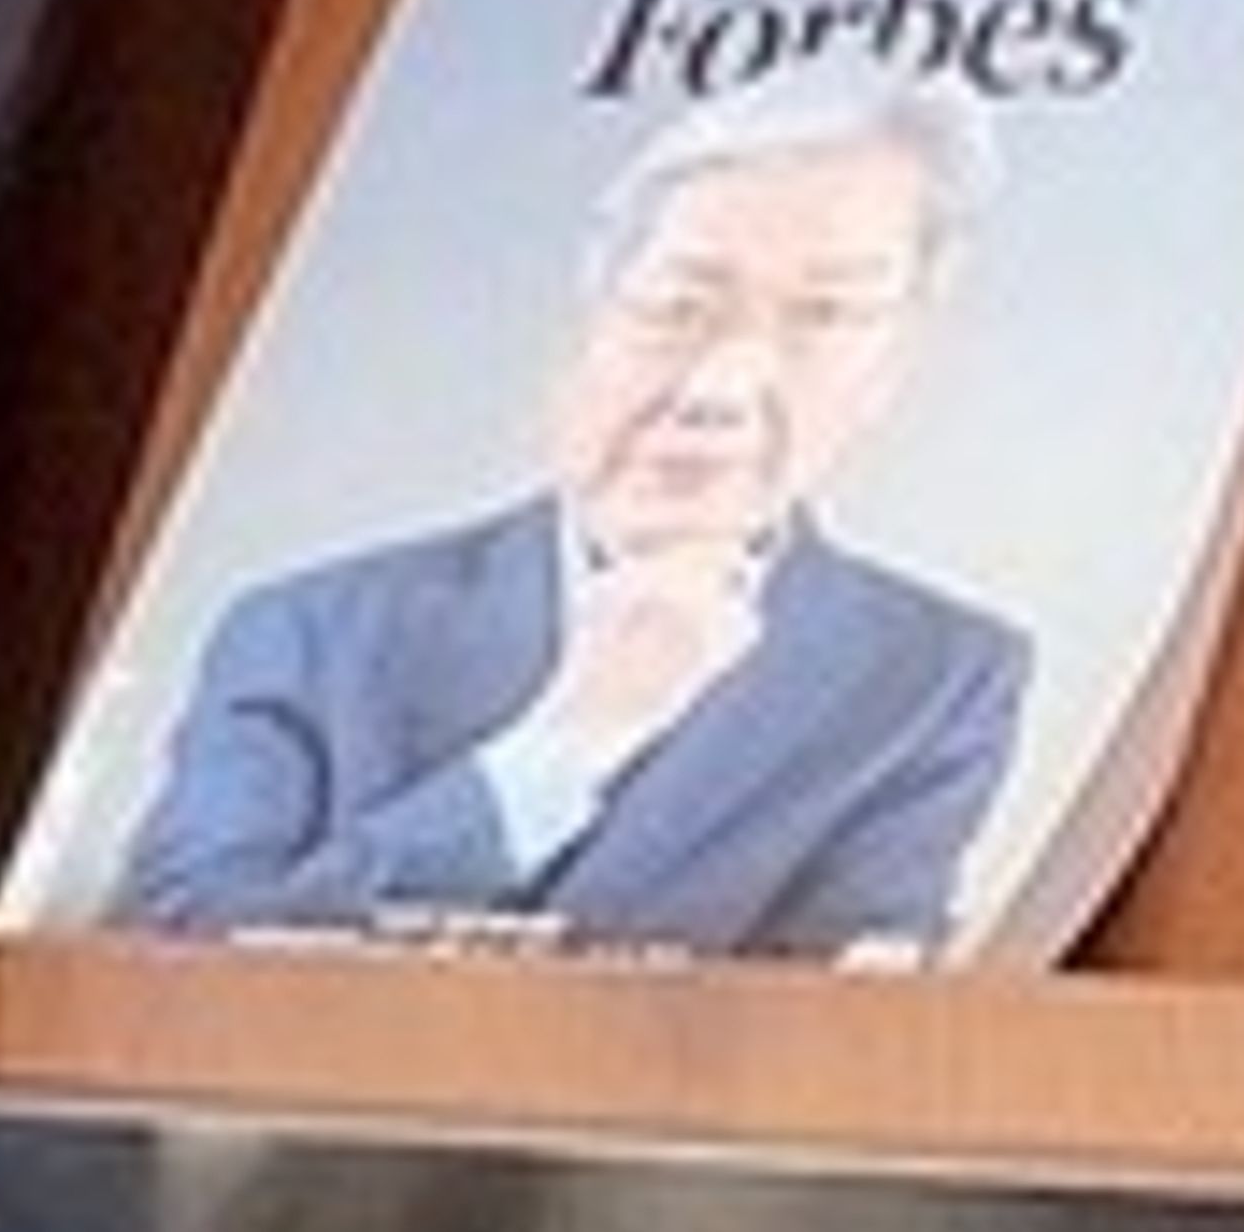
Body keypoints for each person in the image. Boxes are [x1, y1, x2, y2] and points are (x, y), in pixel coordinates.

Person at [115, 71, 1030, 961]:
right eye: (679, 308)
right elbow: (174, 952)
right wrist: (560, 749)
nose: (721, 386)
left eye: (824, 316)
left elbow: (847, 1009)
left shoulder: (937, 676)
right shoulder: (312, 629)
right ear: (592, 312)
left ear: (895, 362)